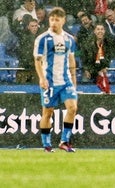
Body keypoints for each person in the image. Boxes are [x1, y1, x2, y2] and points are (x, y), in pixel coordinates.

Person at [33, 7, 78, 152]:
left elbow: (71, 60)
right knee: (48, 113)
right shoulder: (42, 39)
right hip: (49, 81)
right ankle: (46, 144)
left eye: (57, 20)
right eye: (51, 19)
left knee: (72, 108)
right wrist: (41, 78)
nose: (53, 22)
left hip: (65, 81)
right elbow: (37, 61)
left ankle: (64, 141)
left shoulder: (69, 39)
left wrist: (74, 80)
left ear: (63, 21)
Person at [81, 23, 115, 94]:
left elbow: (108, 57)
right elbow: (84, 59)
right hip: (90, 70)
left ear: (104, 31)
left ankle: (106, 93)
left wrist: (105, 67)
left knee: (104, 76)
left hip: (102, 68)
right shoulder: (88, 43)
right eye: (98, 29)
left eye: (102, 29)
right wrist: (86, 70)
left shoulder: (108, 43)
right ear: (94, 31)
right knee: (85, 81)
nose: (100, 31)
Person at [16, 17, 39, 84]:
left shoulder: (40, 37)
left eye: (36, 26)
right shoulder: (23, 36)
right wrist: (17, 21)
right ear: (28, 27)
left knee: (37, 88)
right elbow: (14, 29)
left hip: (35, 68)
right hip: (24, 67)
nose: (34, 28)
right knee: (21, 89)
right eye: (32, 26)